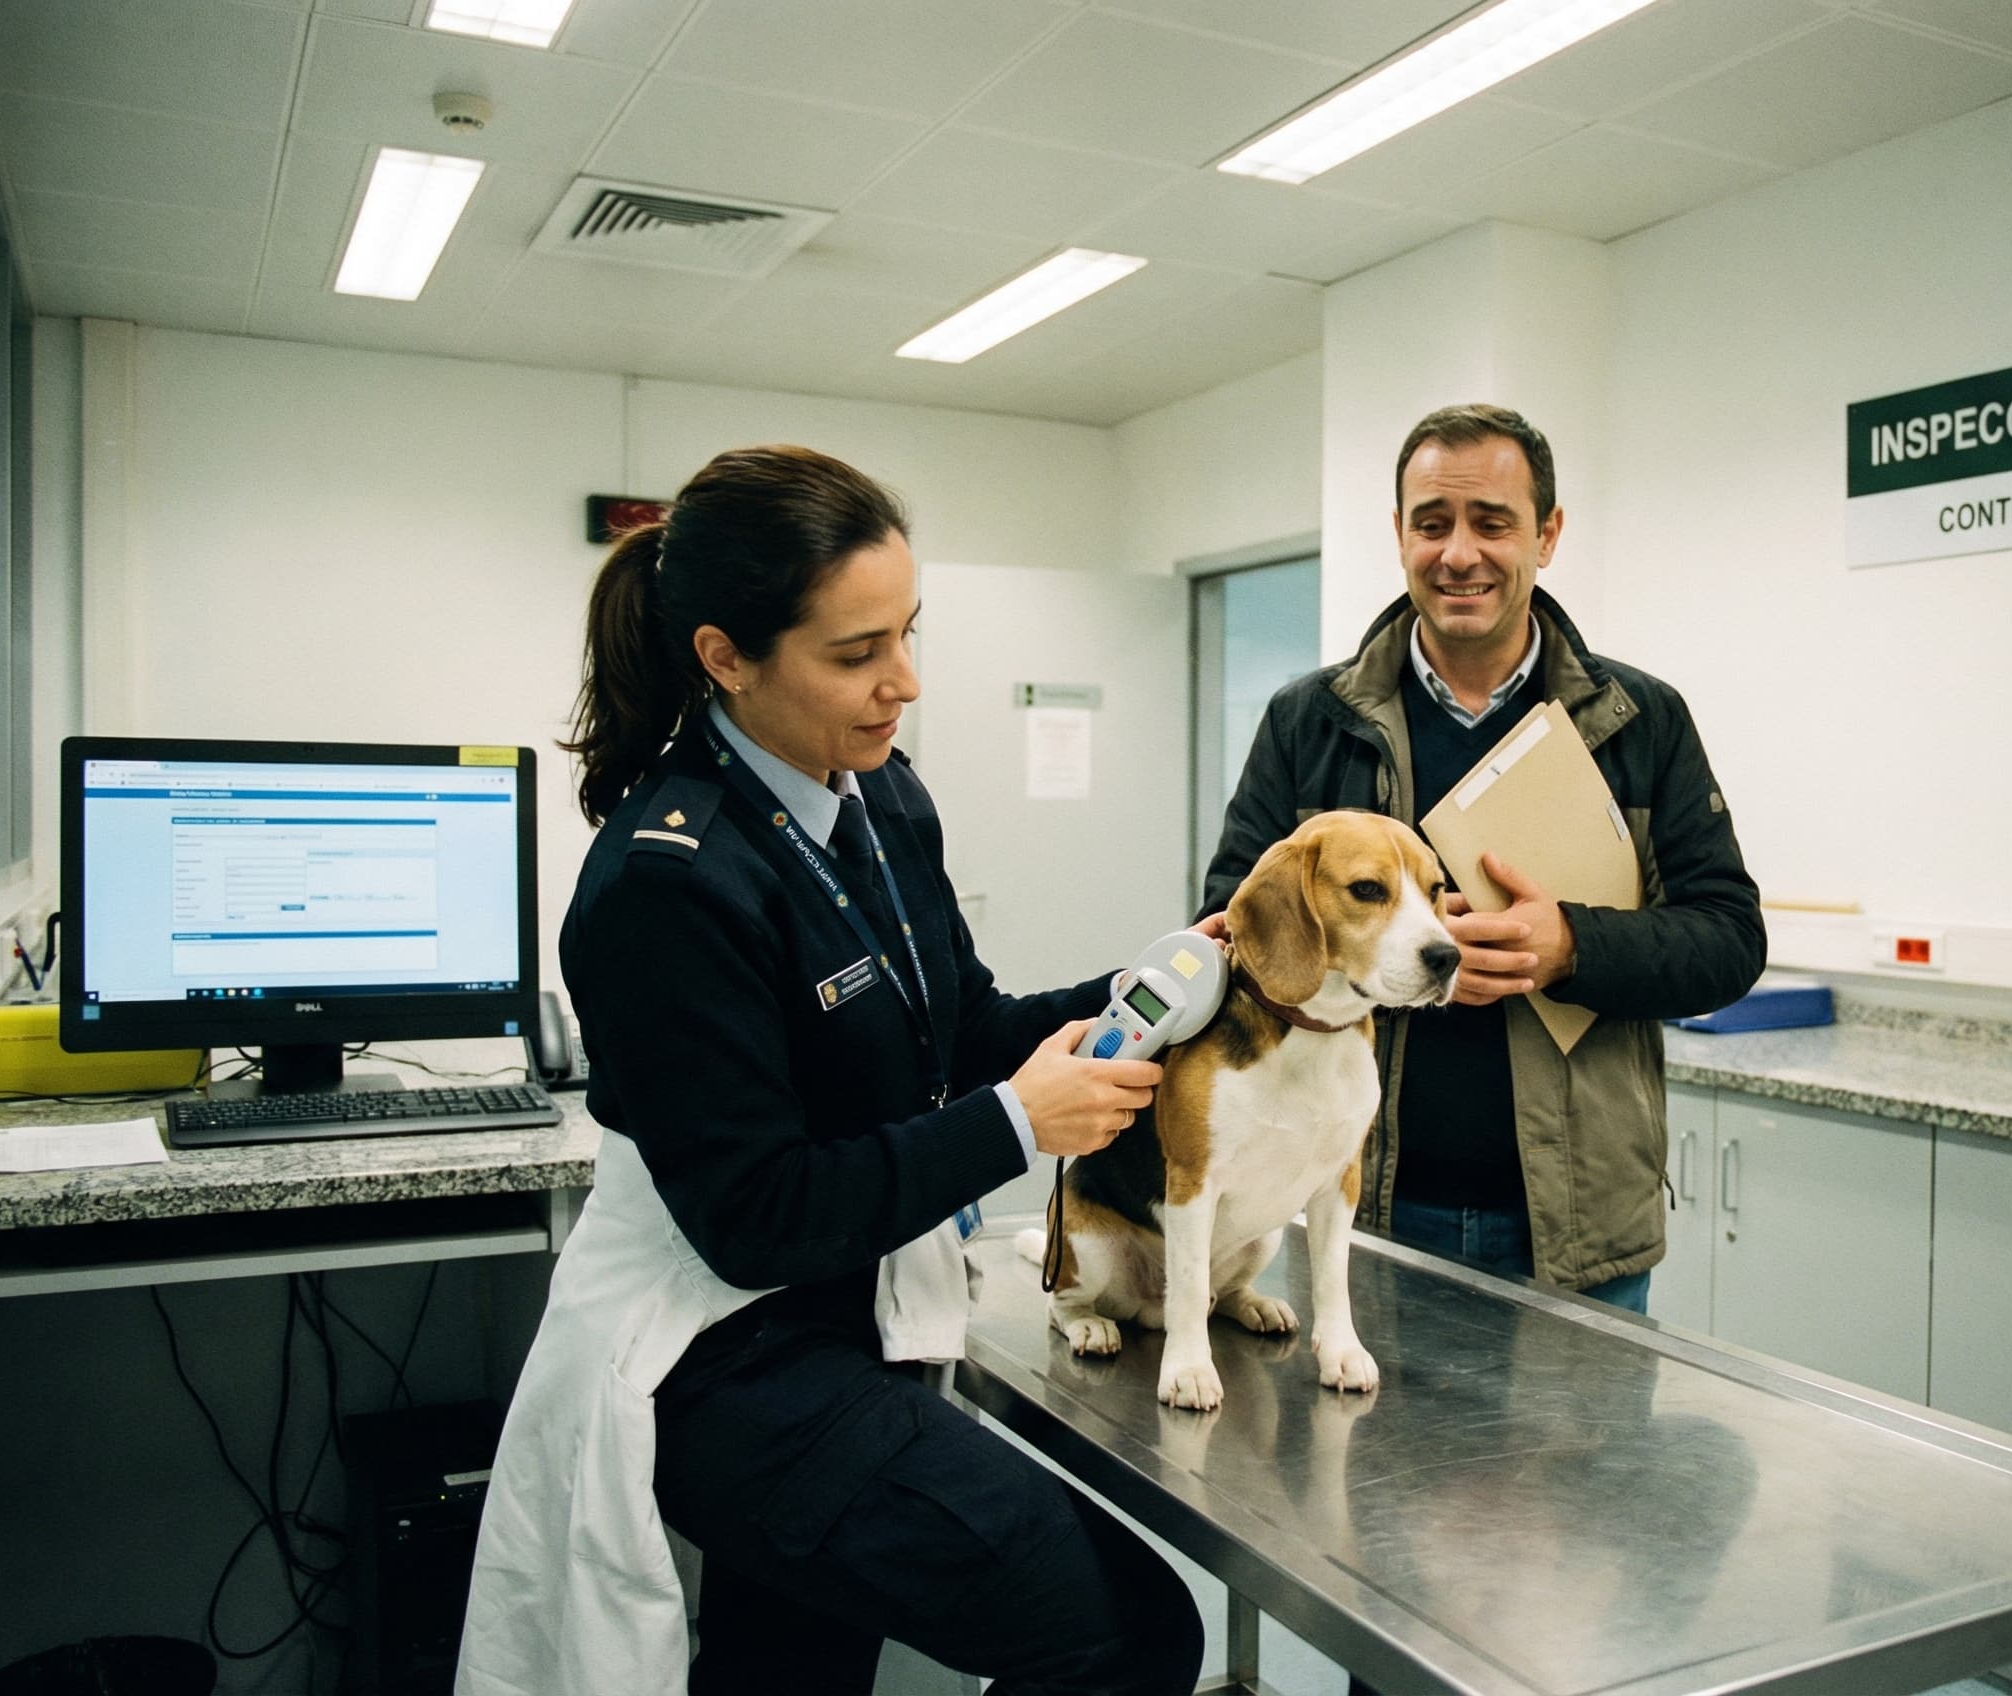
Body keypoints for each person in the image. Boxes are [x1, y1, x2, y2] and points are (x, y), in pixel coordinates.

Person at [457, 445, 1203, 1696]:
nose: (901, 683)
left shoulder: (881, 800)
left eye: (907, 635)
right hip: (720, 1351)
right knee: (1125, 1631)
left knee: (786, 1671)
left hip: (847, 1319)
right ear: (724, 657)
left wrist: (1159, 981)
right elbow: (759, 1217)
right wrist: (1019, 1125)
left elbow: (963, 1025)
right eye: (854, 654)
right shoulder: (666, 883)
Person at [1200, 403, 1764, 1314]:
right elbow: (1234, 925)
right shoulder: (1309, 723)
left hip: (1580, 1238)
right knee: (1348, 1458)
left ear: (1548, 534)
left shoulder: (1642, 721)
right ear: (1399, 536)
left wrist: (1572, 947)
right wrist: (1386, 957)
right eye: (1432, 524)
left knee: (1591, 1462)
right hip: (1355, 1209)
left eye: (1492, 523)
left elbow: (1729, 941)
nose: (1459, 552)